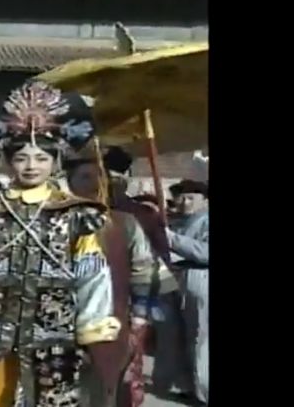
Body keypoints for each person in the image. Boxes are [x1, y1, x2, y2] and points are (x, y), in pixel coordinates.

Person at [0, 80, 119, 407]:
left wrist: (92, 324)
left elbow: (92, 273)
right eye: (22, 158)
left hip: (52, 333)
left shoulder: (75, 214)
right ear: (8, 161)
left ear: (55, 162)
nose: (31, 166)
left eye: (41, 158)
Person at [66, 154, 172, 407]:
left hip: (113, 319)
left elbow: (143, 270)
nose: (94, 183)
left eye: (100, 177)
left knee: (107, 388)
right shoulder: (55, 221)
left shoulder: (125, 222)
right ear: (69, 183)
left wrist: (140, 316)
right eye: (85, 177)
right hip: (60, 319)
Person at [167, 180, 209, 406]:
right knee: (179, 333)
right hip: (178, 277)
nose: (185, 202)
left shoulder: (206, 221)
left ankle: (204, 390)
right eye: (182, 197)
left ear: (205, 201)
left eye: (191, 198)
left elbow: (205, 252)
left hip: (200, 276)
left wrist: (173, 240)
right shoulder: (179, 221)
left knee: (200, 336)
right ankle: (186, 385)